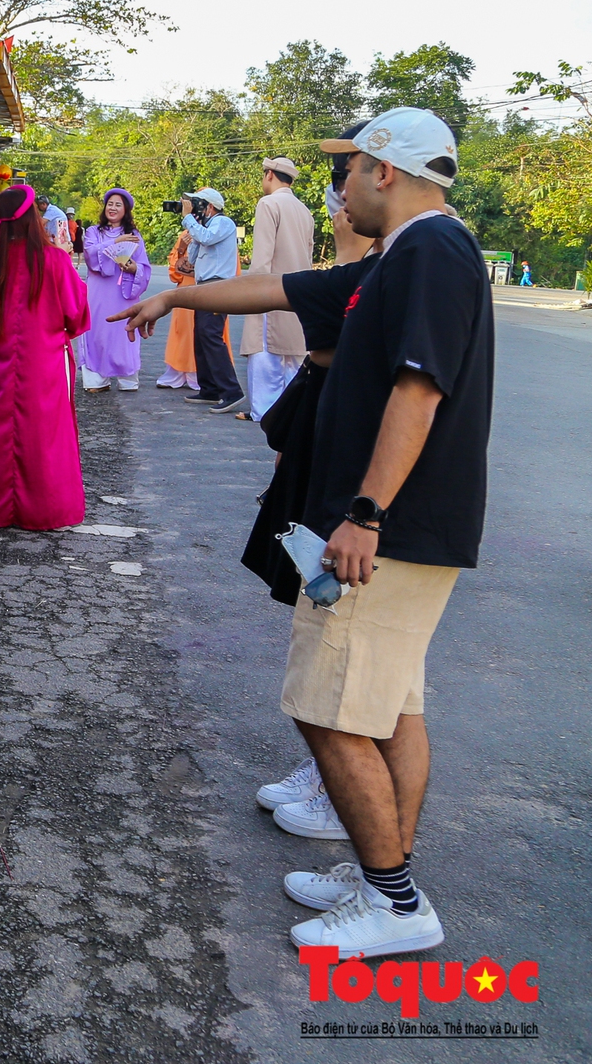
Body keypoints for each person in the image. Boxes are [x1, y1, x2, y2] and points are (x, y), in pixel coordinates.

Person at [111, 106, 493, 960]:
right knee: (391, 708)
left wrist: (364, 513)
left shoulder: (431, 251)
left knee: (328, 710)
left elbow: (418, 390)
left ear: (385, 170)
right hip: (402, 529)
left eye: (349, 168)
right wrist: (173, 293)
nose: (340, 186)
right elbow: (277, 289)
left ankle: (395, 900)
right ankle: (380, 872)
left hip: (385, 531)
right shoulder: (396, 259)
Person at [0, 183, 89, 531]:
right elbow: (76, 313)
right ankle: (44, 510)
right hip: (44, 363)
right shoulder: (53, 260)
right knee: (45, 437)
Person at [239, 158, 317, 420]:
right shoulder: (305, 210)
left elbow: (262, 256)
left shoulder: (268, 203)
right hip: (298, 291)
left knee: (264, 352)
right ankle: (290, 412)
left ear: (269, 174)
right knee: (293, 354)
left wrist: (253, 292)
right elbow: (309, 253)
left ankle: (264, 412)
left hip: (271, 288)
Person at [77, 187, 151, 392]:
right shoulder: (93, 232)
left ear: (125, 210)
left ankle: (128, 379)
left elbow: (144, 266)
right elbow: (91, 256)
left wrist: (134, 268)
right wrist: (115, 242)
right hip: (98, 293)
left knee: (123, 332)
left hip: (124, 292)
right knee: (97, 332)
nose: (113, 208)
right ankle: (96, 381)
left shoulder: (134, 235)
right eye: (110, 203)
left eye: (118, 204)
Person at [179, 187, 244, 412]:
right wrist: (194, 230)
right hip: (205, 286)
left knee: (211, 335)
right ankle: (209, 389)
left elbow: (207, 237)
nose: (195, 208)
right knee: (201, 336)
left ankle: (231, 391)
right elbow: (193, 257)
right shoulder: (206, 226)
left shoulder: (224, 222)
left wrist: (189, 220)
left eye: (197, 204)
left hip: (218, 286)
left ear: (210, 206)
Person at [156, 231, 200, 389]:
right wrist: (181, 249)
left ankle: (202, 373)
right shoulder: (186, 234)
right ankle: (177, 371)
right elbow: (175, 274)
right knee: (182, 331)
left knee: (207, 334)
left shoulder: (220, 230)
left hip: (212, 290)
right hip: (185, 291)